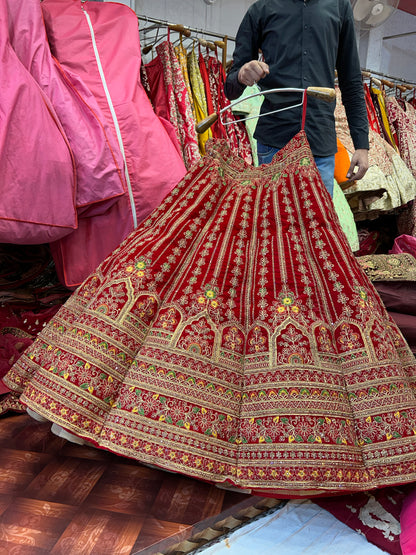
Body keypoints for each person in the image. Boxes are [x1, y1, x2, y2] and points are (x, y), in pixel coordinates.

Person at [225, 0, 369, 196]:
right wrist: (242, 75)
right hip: (274, 144)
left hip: (320, 147)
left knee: (318, 225)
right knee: (272, 222)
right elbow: (230, 89)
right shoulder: (262, 9)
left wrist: (362, 145)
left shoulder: (339, 7)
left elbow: (351, 81)